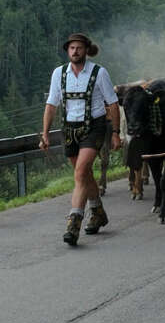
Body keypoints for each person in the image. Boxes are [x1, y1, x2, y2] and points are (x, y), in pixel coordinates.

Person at [41, 33, 121, 245]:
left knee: (80, 172)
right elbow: (51, 104)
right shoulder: (59, 74)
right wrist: (45, 133)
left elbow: (112, 104)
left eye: (79, 48)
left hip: (93, 127)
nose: (75, 51)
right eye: (71, 48)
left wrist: (115, 132)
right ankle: (98, 213)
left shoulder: (99, 72)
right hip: (69, 129)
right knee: (84, 174)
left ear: (86, 50)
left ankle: (74, 221)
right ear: (67, 51)